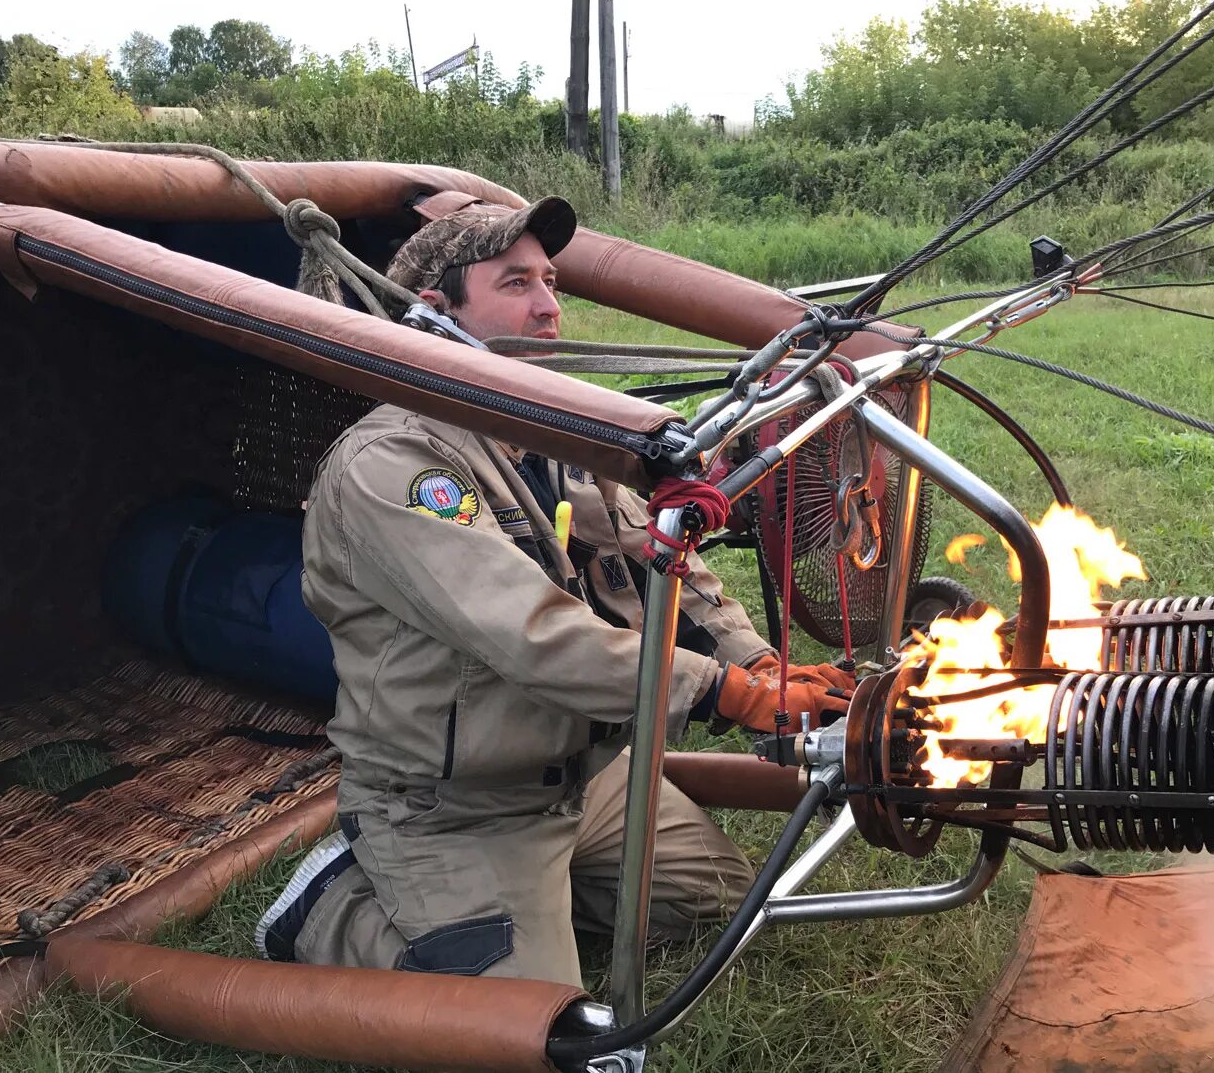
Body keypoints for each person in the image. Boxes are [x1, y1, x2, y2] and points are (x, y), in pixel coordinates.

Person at [256, 193, 852, 985]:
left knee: (717, 904)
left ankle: (528, 902)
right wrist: (723, 691)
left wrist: (759, 663)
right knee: (531, 1018)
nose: (548, 309)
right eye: (516, 284)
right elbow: (530, 631)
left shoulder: (559, 433)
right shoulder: (393, 465)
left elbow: (671, 560)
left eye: (552, 283)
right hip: (456, 806)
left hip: (584, 775)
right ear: (434, 314)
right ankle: (334, 910)